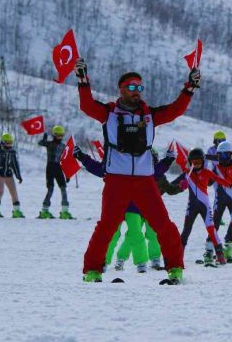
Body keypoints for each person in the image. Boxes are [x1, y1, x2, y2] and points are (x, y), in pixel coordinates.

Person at [76, 57, 201, 284]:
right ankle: (92, 270)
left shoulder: (150, 115)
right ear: (121, 90)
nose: (137, 92)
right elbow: (87, 106)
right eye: (132, 87)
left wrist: (189, 87)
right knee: (107, 226)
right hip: (116, 180)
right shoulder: (109, 114)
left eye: (140, 87)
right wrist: (83, 80)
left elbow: (175, 110)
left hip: (145, 181)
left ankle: (175, 269)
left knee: (163, 224)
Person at [177, 148, 232, 265]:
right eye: (194, 162)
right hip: (192, 207)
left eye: (199, 162)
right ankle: (178, 258)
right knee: (186, 231)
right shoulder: (187, 174)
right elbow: (173, 185)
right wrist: (180, 185)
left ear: (203, 162)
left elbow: (220, 180)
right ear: (190, 162)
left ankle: (220, 256)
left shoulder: (207, 172)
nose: (197, 164)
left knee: (211, 230)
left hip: (205, 206)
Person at [37, 125, 72, 219]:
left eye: (61, 135)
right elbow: (40, 143)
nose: (60, 137)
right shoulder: (49, 144)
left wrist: (67, 174)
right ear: (54, 135)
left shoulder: (63, 146)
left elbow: (65, 161)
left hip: (59, 168)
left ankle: (65, 211)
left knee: (63, 188)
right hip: (50, 167)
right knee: (51, 188)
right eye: (58, 135)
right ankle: (44, 211)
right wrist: (44, 138)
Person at [0, 133, 24, 218]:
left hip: (8, 175)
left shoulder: (12, 152)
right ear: (3, 142)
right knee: (0, 191)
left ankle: (16, 211)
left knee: (14, 192)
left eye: (10, 142)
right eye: (7, 142)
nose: (9, 144)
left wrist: (18, 176)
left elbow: (15, 164)